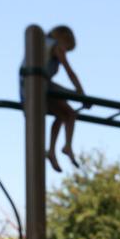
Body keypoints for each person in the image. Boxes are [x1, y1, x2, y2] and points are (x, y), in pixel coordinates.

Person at [23, 25, 84, 172]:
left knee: (62, 114)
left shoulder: (42, 44)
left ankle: (52, 150)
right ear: (63, 39)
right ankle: (67, 146)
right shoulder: (55, 46)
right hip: (40, 86)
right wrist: (80, 92)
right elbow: (69, 71)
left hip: (31, 86)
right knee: (70, 113)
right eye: (67, 48)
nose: (65, 52)